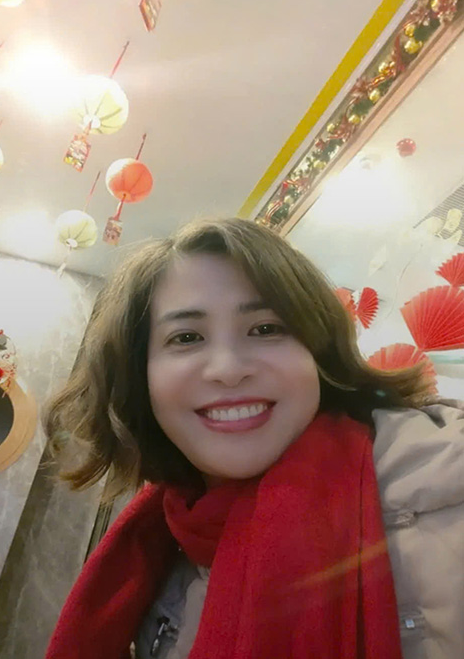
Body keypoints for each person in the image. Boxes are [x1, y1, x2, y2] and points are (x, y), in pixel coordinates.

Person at [44, 218, 464, 659]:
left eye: (266, 329)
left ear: (318, 351)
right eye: (186, 337)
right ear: (139, 376)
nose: (228, 369)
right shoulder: (164, 543)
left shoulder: (444, 485)